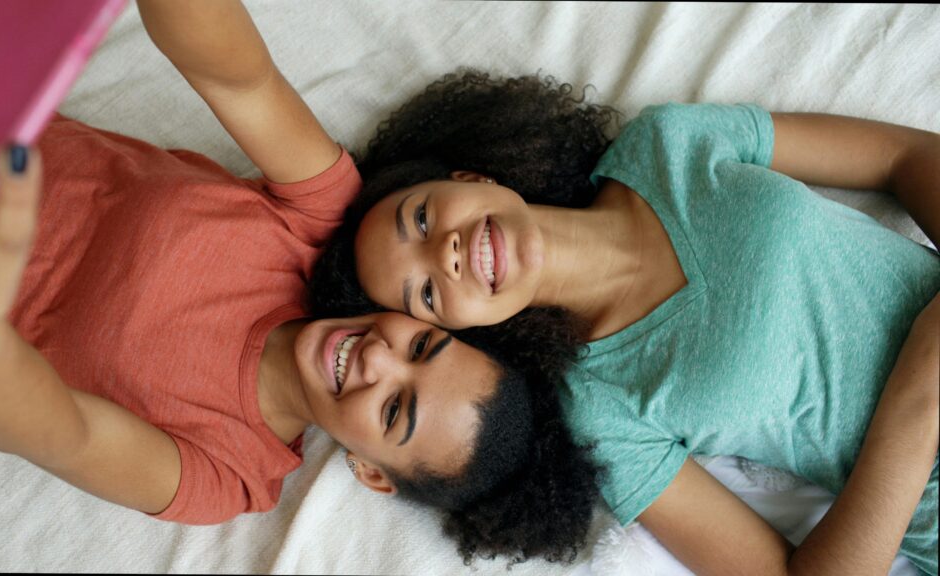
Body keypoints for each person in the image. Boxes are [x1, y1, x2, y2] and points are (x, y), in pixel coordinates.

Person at [0, 2, 597, 564]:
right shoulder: (329, 226)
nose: (378, 359)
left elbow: (60, 433)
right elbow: (236, 74)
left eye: (394, 410)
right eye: (422, 347)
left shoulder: (229, 475)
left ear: (372, 473)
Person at [308, 69, 940, 574]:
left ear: (471, 177)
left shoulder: (663, 144)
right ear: (462, 331)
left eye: (419, 219)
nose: (441, 254)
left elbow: (901, 155)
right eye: (424, 294)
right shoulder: (603, 412)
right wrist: (919, 395)